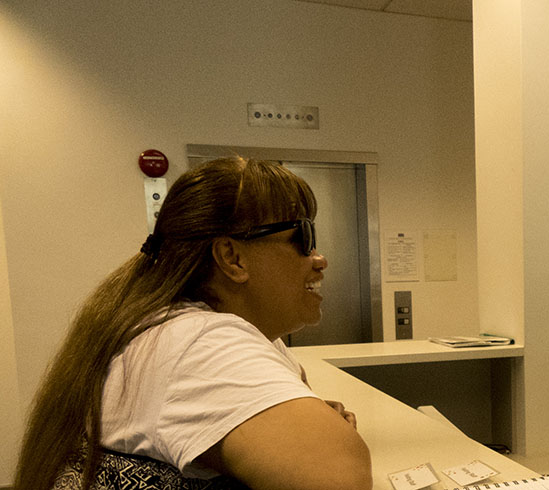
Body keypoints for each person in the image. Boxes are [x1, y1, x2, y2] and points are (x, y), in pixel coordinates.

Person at [15, 158, 373, 490]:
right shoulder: (201, 341)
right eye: (303, 237)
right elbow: (339, 476)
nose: (319, 259)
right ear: (232, 258)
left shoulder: (171, 324)